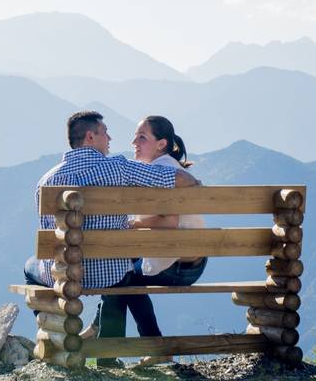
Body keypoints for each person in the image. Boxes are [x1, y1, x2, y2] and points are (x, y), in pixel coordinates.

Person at [22, 111, 198, 368]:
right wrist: (195, 182)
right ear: (91, 137)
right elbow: (179, 179)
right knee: (121, 277)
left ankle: (53, 333)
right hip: (111, 273)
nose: (110, 137)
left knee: (30, 266)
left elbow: (50, 231)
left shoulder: (46, 181)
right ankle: (107, 356)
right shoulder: (118, 167)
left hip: (64, 274)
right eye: (105, 132)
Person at [125, 115, 207, 366]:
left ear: (161, 144)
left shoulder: (163, 172)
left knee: (123, 278)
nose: (134, 142)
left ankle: (156, 346)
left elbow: (168, 223)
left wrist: (133, 224)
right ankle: (97, 326)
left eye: (142, 137)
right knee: (122, 266)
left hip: (178, 266)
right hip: (194, 260)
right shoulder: (170, 167)